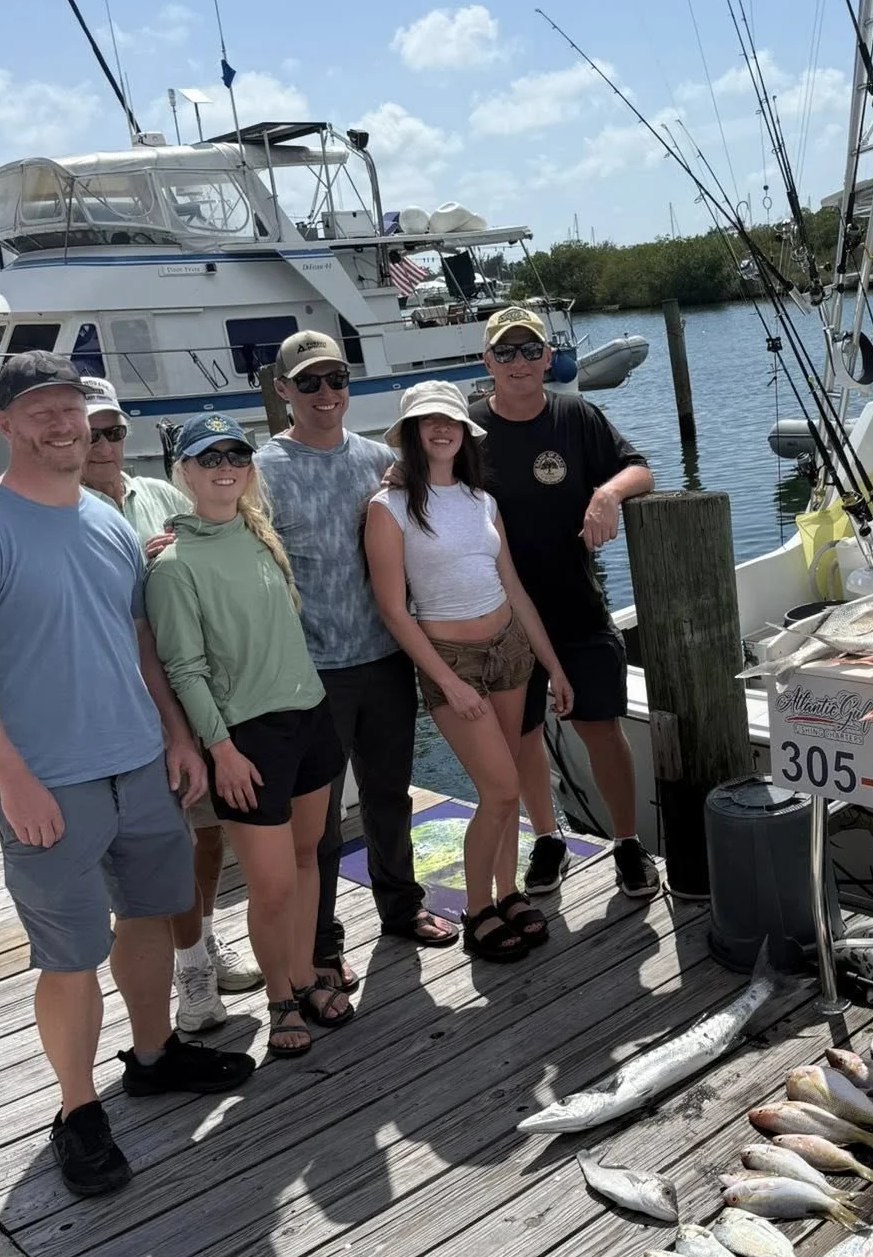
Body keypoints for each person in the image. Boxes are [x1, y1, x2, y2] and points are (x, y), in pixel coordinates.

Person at [0, 355, 255, 1200]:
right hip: (48, 784)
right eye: (38, 410)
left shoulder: (105, 516)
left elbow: (140, 644)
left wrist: (175, 737)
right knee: (70, 952)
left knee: (152, 916)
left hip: (140, 764)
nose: (60, 423)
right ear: (4, 424)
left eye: (72, 408)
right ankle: (77, 1108)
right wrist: (11, 781)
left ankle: (153, 1056)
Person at [254, 330, 459, 998]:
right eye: (307, 382)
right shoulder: (262, 469)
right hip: (310, 674)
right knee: (316, 826)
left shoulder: (380, 460)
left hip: (384, 659)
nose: (325, 394)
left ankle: (400, 908)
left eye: (336, 379)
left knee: (388, 796)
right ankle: (321, 944)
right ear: (282, 390)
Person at [145, 413, 347, 1059]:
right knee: (272, 887)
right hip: (247, 738)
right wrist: (221, 747)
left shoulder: (261, 536)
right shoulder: (173, 563)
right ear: (184, 474)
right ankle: (281, 999)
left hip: (310, 717)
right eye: (209, 458)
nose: (225, 466)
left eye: (236, 454)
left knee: (308, 857)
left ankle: (307, 973)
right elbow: (185, 669)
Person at [365, 382, 573, 961]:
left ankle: (507, 893)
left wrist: (552, 665)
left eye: (450, 421)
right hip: (450, 660)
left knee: (504, 788)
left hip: (511, 650)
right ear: (411, 433)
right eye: (427, 421)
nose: (440, 430)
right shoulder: (389, 508)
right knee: (502, 789)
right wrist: (449, 683)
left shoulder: (483, 501)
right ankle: (477, 907)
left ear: (464, 433)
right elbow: (392, 609)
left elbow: (514, 586)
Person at [79, 376, 263, 1033]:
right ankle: (188, 971)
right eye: (90, 430)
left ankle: (204, 938)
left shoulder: (158, 495)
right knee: (164, 844)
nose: (102, 443)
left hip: (191, 691)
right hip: (119, 707)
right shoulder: (59, 508)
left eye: (113, 430)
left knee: (206, 832)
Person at [470, 305, 659, 902]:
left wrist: (606, 493)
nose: (519, 362)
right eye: (506, 352)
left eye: (531, 350)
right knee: (522, 735)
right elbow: (414, 481)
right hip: (499, 617)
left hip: (575, 604)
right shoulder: (468, 430)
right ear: (487, 362)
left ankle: (627, 842)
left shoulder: (576, 415)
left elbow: (641, 470)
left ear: (549, 358)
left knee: (600, 727)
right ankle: (547, 836)